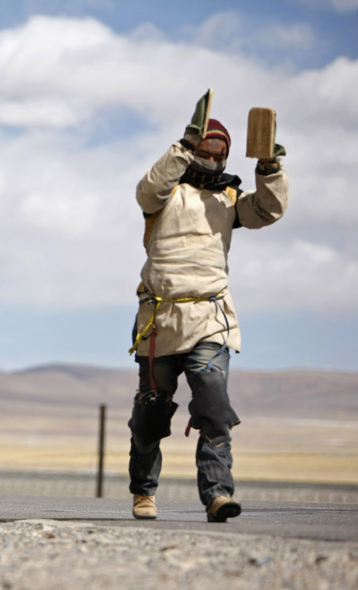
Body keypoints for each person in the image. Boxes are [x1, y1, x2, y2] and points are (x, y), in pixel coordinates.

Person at [127, 90, 288, 522]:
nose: (213, 156)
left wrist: (269, 168)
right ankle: (144, 491)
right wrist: (181, 145)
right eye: (205, 148)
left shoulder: (231, 199)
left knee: (214, 407)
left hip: (210, 320)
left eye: (221, 151)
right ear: (193, 149)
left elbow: (269, 210)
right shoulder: (163, 196)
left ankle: (217, 494)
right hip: (159, 321)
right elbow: (147, 189)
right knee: (151, 413)